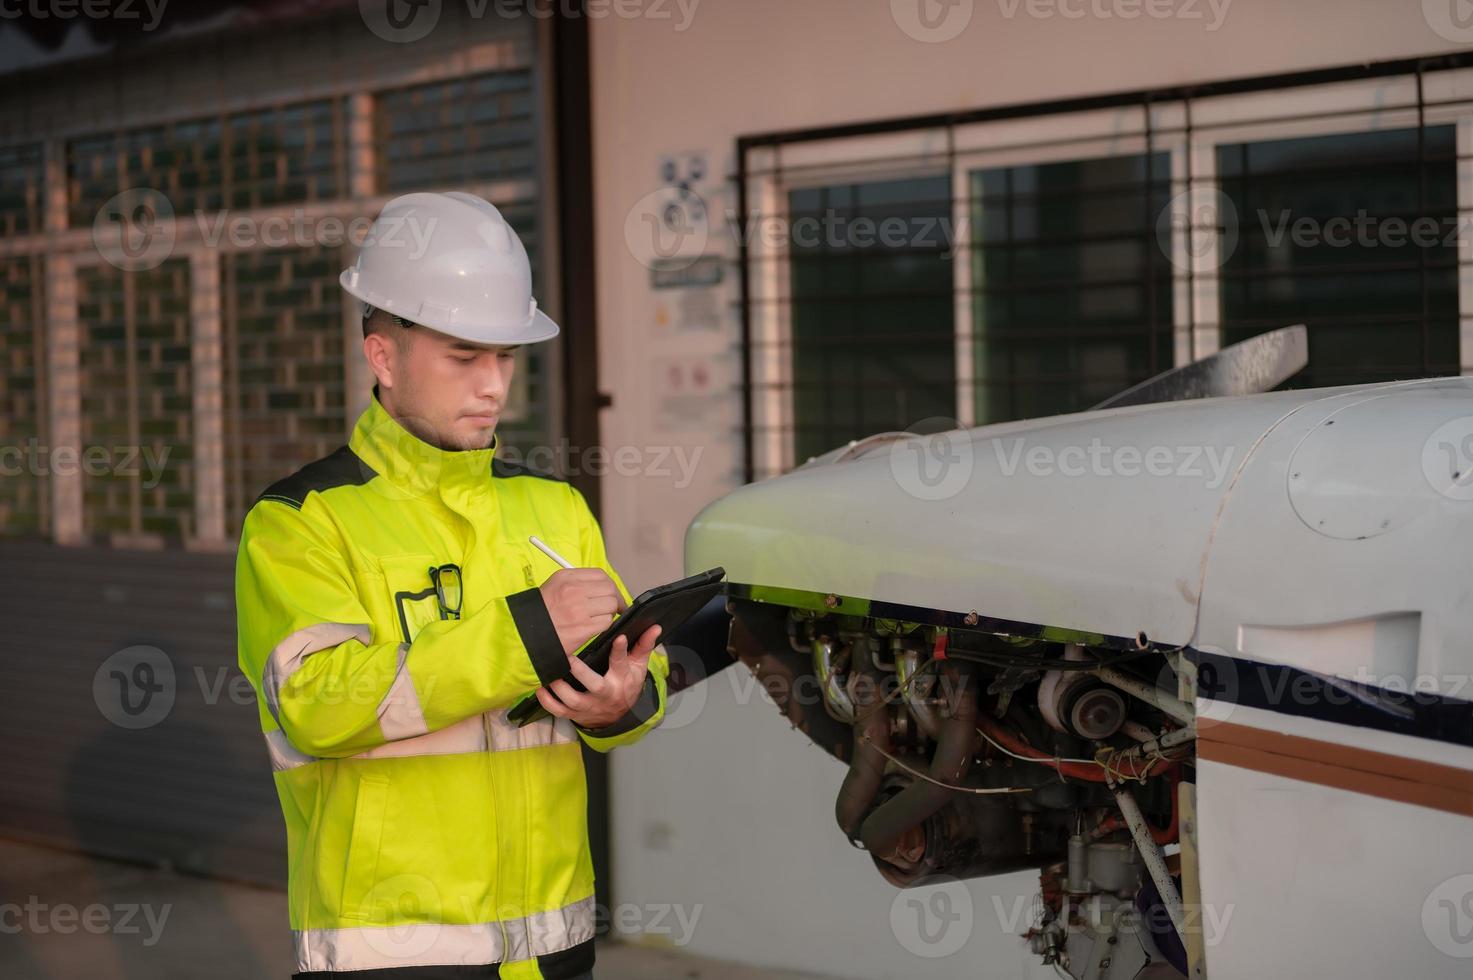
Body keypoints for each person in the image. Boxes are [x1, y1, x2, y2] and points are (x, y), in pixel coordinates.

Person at [235, 191, 667, 980]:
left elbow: (638, 674)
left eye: (504, 357)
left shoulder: (553, 507)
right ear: (384, 357)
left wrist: (622, 701)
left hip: (550, 939)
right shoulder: (301, 520)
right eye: (464, 357)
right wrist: (526, 631)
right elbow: (316, 706)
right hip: (393, 948)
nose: (493, 385)